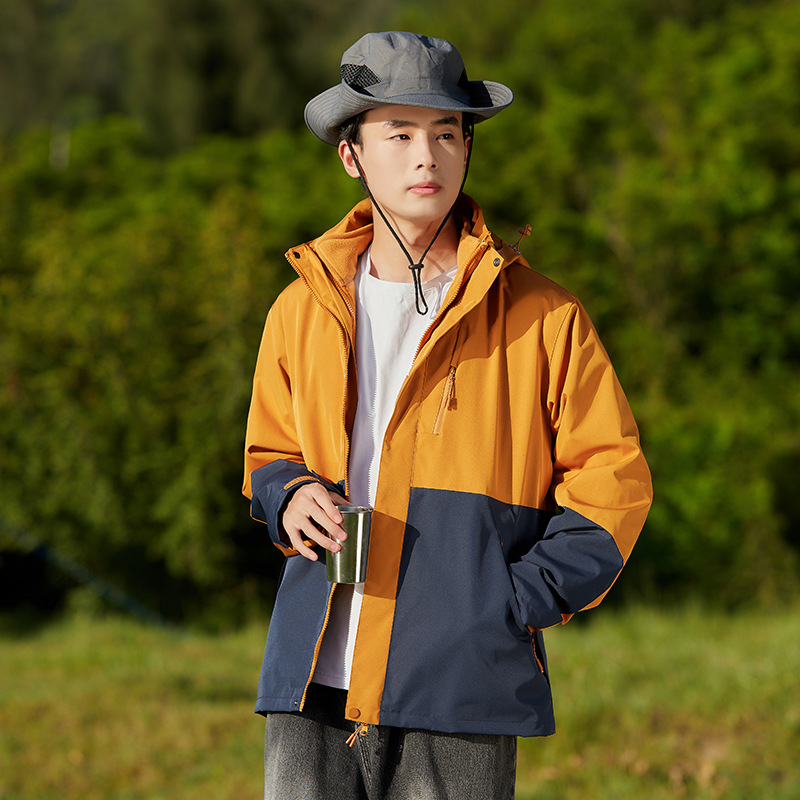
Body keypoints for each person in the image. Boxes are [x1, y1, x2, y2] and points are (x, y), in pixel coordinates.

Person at [243, 30, 652, 800]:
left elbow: (615, 486)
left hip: (462, 683)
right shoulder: (300, 308)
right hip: (310, 676)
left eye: (446, 133)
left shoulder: (545, 317)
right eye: (398, 134)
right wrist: (289, 494)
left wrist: (507, 604)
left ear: (467, 149)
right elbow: (269, 452)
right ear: (351, 155)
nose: (426, 156)